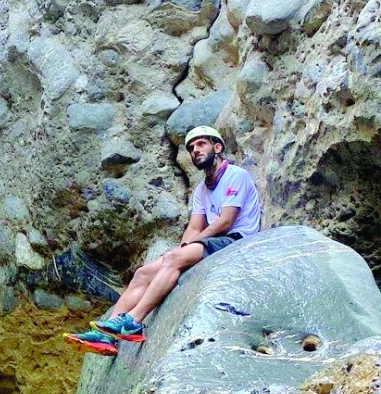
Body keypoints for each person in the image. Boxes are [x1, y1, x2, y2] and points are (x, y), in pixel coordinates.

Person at [66, 127, 262, 352]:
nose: (195, 150)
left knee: (173, 259)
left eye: (201, 144)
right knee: (143, 273)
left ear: (217, 148)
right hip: (212, 242)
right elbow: (194, 227)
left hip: (235, 241)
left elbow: (225, 222)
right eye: (191, 148)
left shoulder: (235, 175)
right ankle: (105, 337)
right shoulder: (201, 190)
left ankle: (133, 321)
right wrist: (182, 248)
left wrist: (186, 248)